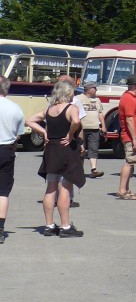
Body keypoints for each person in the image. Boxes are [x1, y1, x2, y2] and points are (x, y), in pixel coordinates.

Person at [27, 80, 85, 237]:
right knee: (65, 187)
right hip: (66, 149)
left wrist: (44, 132)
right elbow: (77, 121)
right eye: (73, 91)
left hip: (51, 150)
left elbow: (30, 120)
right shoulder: (71, 108)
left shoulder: (49, 109)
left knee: (51, 187)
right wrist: (71, 134)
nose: (74, 94)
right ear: (67, 92)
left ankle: (49, 225)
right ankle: (65, 227)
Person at [0, 77, 25, 244]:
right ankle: (0, 228)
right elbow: (18, 134)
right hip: (6, 150)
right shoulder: (16, 108)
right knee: (3, 192)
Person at [116, 75, 136, 200]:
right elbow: (129, 120)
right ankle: (122, 190)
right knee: (129, 162)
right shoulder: (128, 98)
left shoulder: (133, 97)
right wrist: (134, 139)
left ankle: (126, 189)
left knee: (132, 162)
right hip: (131, 136)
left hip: (135, 135)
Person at [78, 83, 105, 178]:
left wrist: (103, 126)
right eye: (95, 89)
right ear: (89, 90)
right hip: (81, 129)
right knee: (80, 151)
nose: (96, 90)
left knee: (93, 149)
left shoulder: (97, 100)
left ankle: (94, 170)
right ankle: (79, 171)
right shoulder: (78, 99)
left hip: (94, 128)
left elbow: (100, 113)